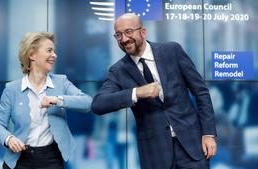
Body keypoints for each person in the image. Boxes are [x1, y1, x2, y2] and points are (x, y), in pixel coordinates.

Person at [91, 13, 217, 169]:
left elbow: (201, 92)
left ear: (143, 32)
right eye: (118, 35)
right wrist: (137, 92)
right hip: (155, 156)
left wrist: (209, 134)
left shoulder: (172, 50)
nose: (123, 39)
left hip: (192, 147)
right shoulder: (118, 71)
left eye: (128, 32)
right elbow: (98, 104)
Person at [0, 32, 92, 169]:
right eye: (49, 50)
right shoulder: (12, 89)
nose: (54, 55)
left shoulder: (61, 82)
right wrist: (9, 139)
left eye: (54, 51)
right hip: (19, 158)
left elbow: (87, 103)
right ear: (32, 55)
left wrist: (57, 100)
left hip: (51, 159)